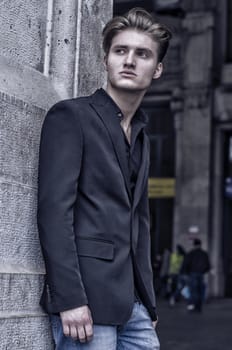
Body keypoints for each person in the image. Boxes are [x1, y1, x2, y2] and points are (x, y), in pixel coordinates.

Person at [37, 7, 171, 349]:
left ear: (157, 70)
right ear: (107, 59)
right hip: (85, 302)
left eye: (142, 54)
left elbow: (139, 223)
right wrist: (68, 299)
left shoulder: (141, 135)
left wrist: (149, 299)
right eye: (120, 50)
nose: (129, 60)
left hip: (134, 306)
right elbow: (55, 212)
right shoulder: (72, 116)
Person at [182, 238, 211, 312]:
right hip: (201, 274)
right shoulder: (204, 254)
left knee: (193, 291)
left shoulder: (191, 253)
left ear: (194, 245)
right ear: (200, 244)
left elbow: (186, 264)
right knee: (200, 290)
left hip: (192, 274)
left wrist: (186, 272)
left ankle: (192, 306)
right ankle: (199, 307)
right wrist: (204, 271)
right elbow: (208, 265)